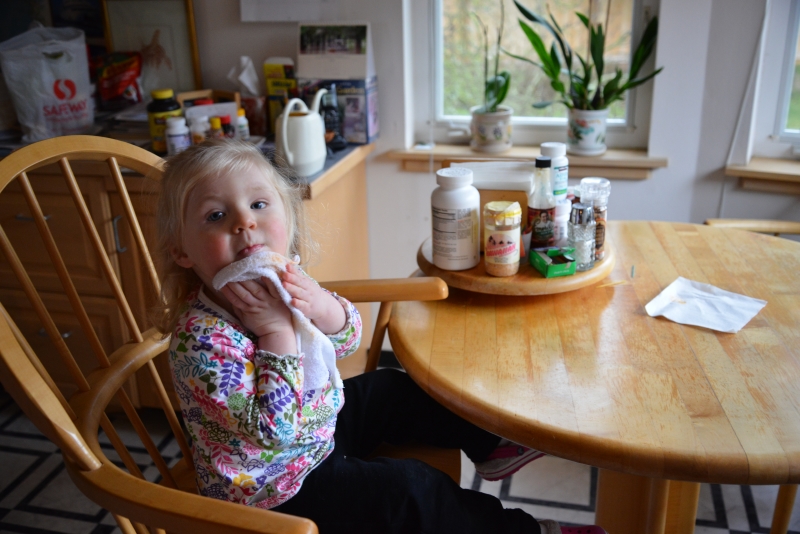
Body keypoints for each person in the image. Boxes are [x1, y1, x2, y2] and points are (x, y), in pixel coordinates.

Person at [153, 138, 607, 534]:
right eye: (216, 215)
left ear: (287, 217)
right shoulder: (200, 341)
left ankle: (493, 444)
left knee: (392, 388)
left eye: (258, 204)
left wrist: (321, 307)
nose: (244, 223)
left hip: (317, 431)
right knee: (409, 490)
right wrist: (274, 330)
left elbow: (347, 339)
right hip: (273, 489)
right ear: (181, 251)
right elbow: (274, 432)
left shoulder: (285, 282)